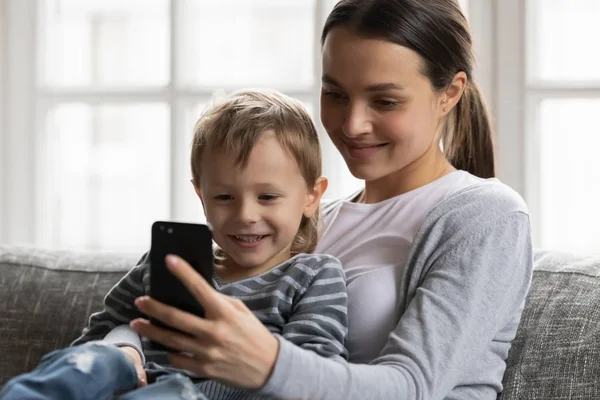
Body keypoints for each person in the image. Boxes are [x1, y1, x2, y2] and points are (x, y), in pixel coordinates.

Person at [126, 1, 534, 399]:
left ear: (449, 93)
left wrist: (268, 364)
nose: (352, 125)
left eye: (385, 101)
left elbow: (412, 386)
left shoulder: (486, 216)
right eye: (335, 94)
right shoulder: (308, 219)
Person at [0, 90, 349, 400]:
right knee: (100, 358)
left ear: (311, 196)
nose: (245, 214)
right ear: (201, 195)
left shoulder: (312, 275)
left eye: (268, 196)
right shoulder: (166, 262)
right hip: (131, 385)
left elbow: (313, 378)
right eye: (224, 196)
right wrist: (125, 350)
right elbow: (95, 337)